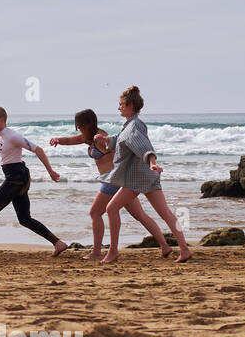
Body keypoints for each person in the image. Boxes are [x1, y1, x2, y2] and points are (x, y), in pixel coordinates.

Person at [49, 109, 171, 261]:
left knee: (95, 212)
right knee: (139, 215)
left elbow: (119, 150)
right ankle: (165, 246)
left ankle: (97, 252)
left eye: (79, 126)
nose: (78, 128)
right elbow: (69, 140)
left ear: (87, 124)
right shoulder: (87, 137)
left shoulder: (100, 137)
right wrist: (57, 140)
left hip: (112, 179)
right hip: (119, 181)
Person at [101, 86, 193, 264]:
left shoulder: (135, 126)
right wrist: (105, 140)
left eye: (121, 104)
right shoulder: (129, 125)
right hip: (146, 177)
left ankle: (113, 252)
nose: (118, 107)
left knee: (111, 209)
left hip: (138, 177)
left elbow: (145, 148)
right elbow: (120, 140)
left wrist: (152, 163)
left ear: (131, 105)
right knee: (166, 213)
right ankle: (184, 249)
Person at [0, 107, 68, 257]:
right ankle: (59, 244)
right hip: (15, 177)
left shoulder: (12, 136)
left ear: (2, 119)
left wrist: (50, 171)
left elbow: (38, 149)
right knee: (25, 219)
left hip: (17, 177)